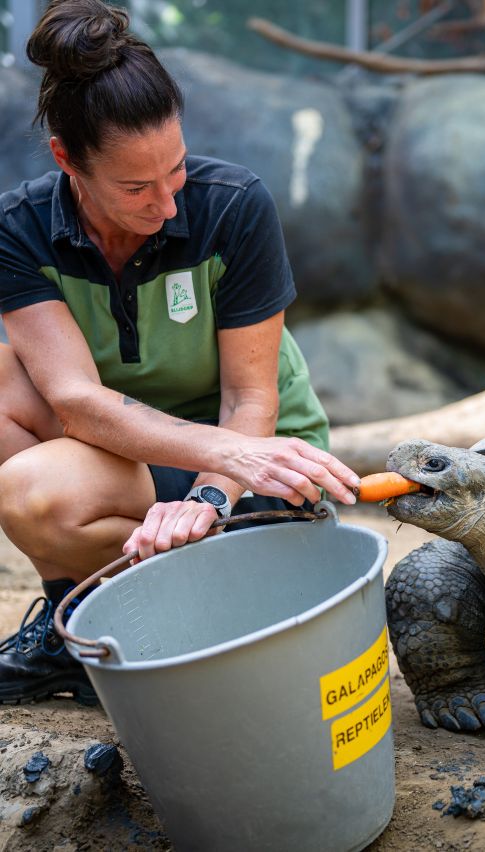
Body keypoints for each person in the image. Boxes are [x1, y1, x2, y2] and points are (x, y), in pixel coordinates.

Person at [0, 0, 360, 706]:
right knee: (8, 419)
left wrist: (212, 490)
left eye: (176, 170)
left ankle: (211, 598)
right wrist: (214, 459)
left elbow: (251, 402)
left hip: (259, 468)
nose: (167, 204)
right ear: (66, 160)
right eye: (136, 187)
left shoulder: (235, 206)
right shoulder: (21, 230)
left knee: (220, 469)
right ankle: (81, 620)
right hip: (132, 463)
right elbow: (73, 401)